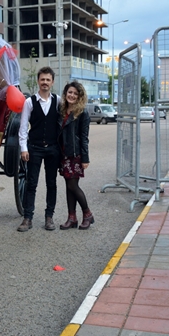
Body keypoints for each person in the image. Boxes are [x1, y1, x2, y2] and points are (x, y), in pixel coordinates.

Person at [17, 66, 61, 232]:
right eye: (42, 79)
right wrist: (23, 148)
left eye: (48, 80)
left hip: (52, 149)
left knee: (52, 183)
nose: (45, 82)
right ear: (38, 81)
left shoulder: (57, 101)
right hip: (34, 147)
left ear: (52, 82)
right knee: (31, 184)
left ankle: (49, 217)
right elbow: (23, 127)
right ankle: (27, 218)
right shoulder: (29, 102)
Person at [58, 81, 94, 230]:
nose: (71, 95)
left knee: (73, 185)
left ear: (79, 96)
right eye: (70, 92)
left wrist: (85, 158)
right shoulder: (61, 110)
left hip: (76, 154)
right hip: (63, 153)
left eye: (75, 93)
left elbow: (84, 137)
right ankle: (71, 218)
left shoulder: (82, 112)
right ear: (66, 93)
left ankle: (88, 214)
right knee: (69, 186)